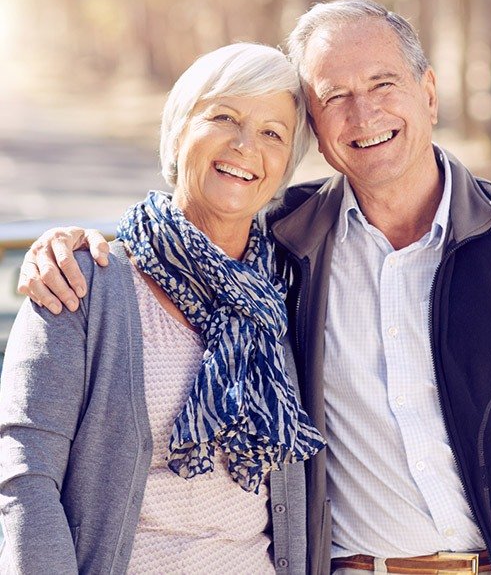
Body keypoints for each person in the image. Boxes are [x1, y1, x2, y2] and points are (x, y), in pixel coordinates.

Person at [15, 0, 491, 574]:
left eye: (382, 84)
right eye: (334, 98)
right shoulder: (285, 247)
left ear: (428, 92)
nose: (364, 113)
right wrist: (61, 247)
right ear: (318, 135)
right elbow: (26, 469)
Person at [0, 42, 327, 574]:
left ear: (285, 166)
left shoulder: (285, 293)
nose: (246, 145)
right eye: (225, 116)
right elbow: (25, 476)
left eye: (273, 133)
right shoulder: (82, 283)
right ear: (178, 131)